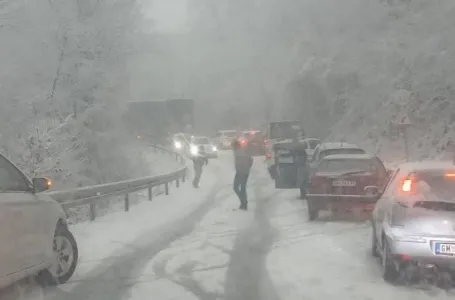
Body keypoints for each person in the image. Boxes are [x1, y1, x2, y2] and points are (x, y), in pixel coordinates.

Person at [232, 139, 253, 210]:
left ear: (235, 146)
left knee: (236, 187)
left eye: (233, 146)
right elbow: (251, 160)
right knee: (242, 188)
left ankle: (243, 203)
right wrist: (248, 168)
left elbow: (247, 160)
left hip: (241, 172)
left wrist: (243, 168)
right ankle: (244, 203)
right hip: (244, 172)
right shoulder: (242, 151)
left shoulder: (238, 152)